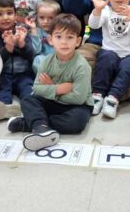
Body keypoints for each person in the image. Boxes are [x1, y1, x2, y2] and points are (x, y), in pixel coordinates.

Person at [7, 14, 92, 151]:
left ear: (78, 41)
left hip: (78, 105)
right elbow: (36, 89)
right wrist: (58, 88)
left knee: (78, 121)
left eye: (70, 37)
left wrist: (51, 88)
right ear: (50, 40)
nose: (64, 42)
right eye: (59, 37)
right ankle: (41, 128)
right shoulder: (46, 61)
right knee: (28, 99)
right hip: (54, 100)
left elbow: (78, 98)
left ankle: (31, 123)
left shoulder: (82, 66)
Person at [26, 0, 60, 74]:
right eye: (42, 17)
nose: (46, 21)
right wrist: (34, 31)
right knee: (38, 60)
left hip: (58, 62)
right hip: (43, 64)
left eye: (51, 18)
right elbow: (36, 51)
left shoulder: (60, 32)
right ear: (36, 18)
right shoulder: (36, 31)